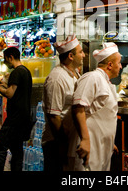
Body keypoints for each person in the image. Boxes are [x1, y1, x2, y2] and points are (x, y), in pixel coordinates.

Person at [71, 42, 121, 171]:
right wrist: (85, 140)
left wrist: (109, 141)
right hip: (91, 147)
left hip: (103, 146)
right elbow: (78, 108)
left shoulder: (105, 82)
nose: (120, 66)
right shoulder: (92, 77)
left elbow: (102, 116)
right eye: (119, 63)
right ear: (110, 65)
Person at [42, 34, 85, 171]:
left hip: (69, 142)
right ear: (71, 56)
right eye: (81, 52)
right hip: (56, 142)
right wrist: (63, 146)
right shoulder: (57, 78)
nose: (83, 55)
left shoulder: (74, 74)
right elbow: (54, 117)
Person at [0, 47, 32, 172]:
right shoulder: (26, 71)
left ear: (10, 57)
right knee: (17, 149)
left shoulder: (16, 72)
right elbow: (17, 91)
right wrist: (4, 84)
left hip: (15, 118)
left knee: (0, 147)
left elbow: (10, 93)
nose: (5, 62)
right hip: (24, 117)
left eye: (5, 59)